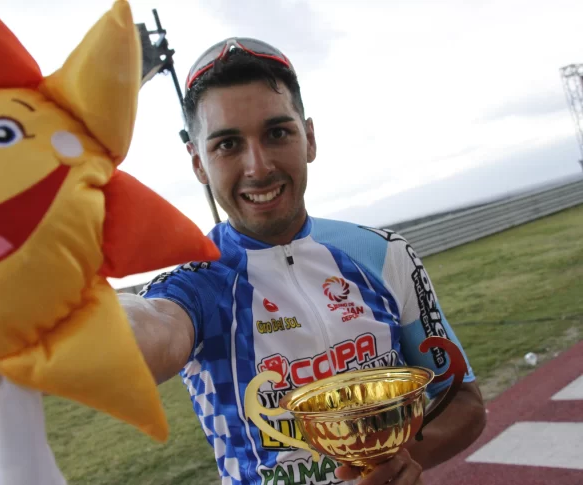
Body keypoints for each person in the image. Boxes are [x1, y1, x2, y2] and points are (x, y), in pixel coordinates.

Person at [119, 37, 486, 485]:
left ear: (309, 138)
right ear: (199, 164)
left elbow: (463, 400)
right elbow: (148, 327)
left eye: (277, 133)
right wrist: (90, 320)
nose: (258, 167)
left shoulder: (383, 253)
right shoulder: (197, 284)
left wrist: (391, 459)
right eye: (228, 144)